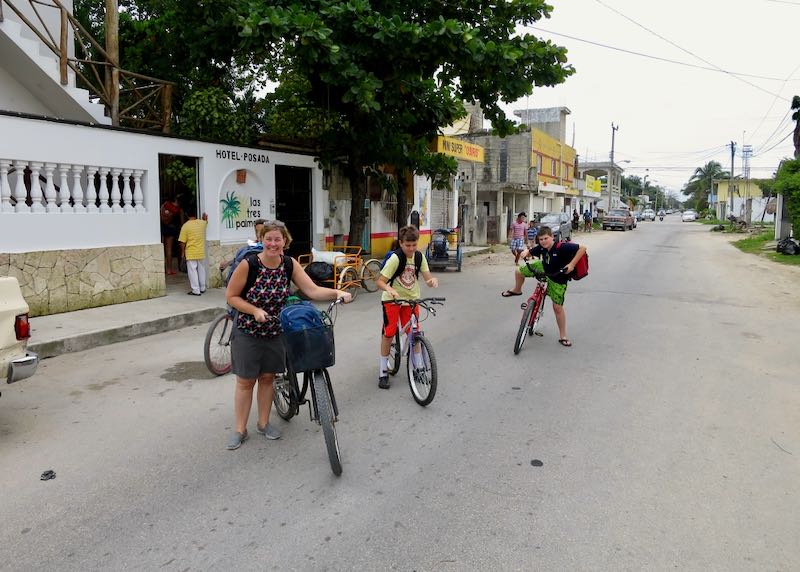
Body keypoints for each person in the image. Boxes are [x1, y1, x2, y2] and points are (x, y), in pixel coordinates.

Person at [225, 221, 352, 450]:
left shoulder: (288, 264)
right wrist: (254, 311)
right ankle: (239, 429)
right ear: (262, 240)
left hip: (275, 330)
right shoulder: (249, 264)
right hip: (248, 330)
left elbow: (311, 290)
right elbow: (232, 297)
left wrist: (338, 292)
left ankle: (263, 423)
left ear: (285, 241)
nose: (273, 243)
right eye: (269, 239)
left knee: (267, 378)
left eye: (278, 239)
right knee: (245, 382)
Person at [500, 226, 587, 348]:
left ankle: (563, 336)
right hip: (544, 268)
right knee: (519, 271)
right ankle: (517, 290)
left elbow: (582, 248)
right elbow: (530, 252)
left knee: (557, 308)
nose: (543, 241)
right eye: (540, 239)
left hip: (558, 277)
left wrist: (571, 265)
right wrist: (526, 252)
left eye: (546, 238)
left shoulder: (562, 247)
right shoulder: (541, 247)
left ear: (552, 237)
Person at [376, 225, 439, 389]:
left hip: (411, 300)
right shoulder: (395, 259)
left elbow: (427, 278)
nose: (411, 249)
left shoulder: (419, 257)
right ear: (401, 243)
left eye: (414, 245)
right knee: (389, 333)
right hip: (392, 301)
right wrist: (389, 289)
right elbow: (380, 282)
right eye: (407, 245)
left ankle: (418, 368)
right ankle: (383, 371)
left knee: (414, 332)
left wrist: (432, 281)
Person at [178, 208, 208, 296]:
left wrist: (183, 253)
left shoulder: (185, 226)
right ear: (195, 214)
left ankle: (196, 290)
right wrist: (205, 218)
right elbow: (206, 221)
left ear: (186, 215)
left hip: (191, 252)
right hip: (201, 251)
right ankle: (202, 287)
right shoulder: (202, 223)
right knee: (201, 269)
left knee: (192, 271)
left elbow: (182, 242)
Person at [160, 195, 182, 275]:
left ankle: (163, 269)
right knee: (169, 250)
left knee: (162, 249)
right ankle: (169, 270)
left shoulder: (165, 204)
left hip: (163, 227)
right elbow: (180, 221)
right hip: (171, 229)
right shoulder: (178, 209)